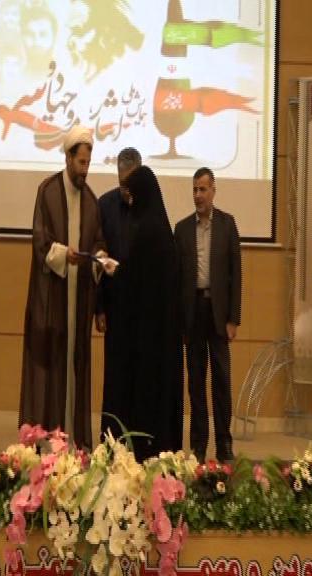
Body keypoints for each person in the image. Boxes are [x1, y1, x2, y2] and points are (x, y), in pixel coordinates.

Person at [19, 125, 113, 449]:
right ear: (68, 158)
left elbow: (98, 242)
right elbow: (40, 241)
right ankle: (47, 443)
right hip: (52, 301)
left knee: (75, 368)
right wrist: (63, 255)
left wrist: (100, 260)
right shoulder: (47, 192)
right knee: (51, 372)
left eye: (88, 162)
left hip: (79, 301)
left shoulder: (91, 200)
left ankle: (74, 441)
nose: (85, 169)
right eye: (81, 162)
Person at [174, 167, 241, 463]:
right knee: (196, 384)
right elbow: (176, 278)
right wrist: (180, 323)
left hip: (219, 314)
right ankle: (199, 446)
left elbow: (236, 275)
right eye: (195, 190)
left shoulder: (227, 224)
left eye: (203, 189)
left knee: (222, 382)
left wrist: (233, 319)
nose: (198, 195)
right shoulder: (182, 229)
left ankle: (224, 444)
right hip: (193, 314)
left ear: (213, 191)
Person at [120, 165, 184, 461]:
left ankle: (144, 452)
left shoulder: (145, 231)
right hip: (165, 335)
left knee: (145, 394)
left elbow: (134, 281)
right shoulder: (163, 230)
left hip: (146, 335)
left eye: (134, 197)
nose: (131, 203)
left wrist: (116, 271)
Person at [96, 147, 140, 439]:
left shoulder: (149, 206)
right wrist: (99, 308)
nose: (125, 189)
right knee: (114, 375)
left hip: (141, 307)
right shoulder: (105, 205)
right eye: (121, 182)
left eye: (130, 182)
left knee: (138, 374)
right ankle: (110, 437)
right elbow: (98, 257)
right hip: (113, 305)